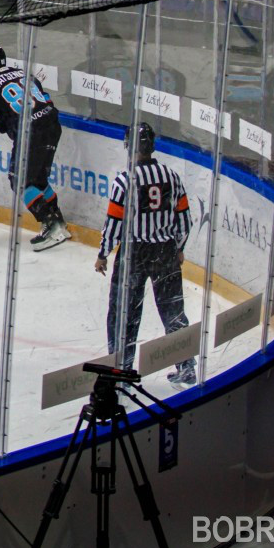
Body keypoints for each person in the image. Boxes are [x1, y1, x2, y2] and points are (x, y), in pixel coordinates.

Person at [95, 122, 196, 389]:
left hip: (134, 255)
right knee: (174, 311)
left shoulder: (124, 180)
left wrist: (103, 253)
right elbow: (184, 220)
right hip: (165, 252)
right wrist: (179, 248)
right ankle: (186, 367)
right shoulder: (172, 176)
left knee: (123, 313)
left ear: (130, 147)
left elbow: (114, 224)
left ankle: (121, 373)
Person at [0, 45, 69, 251]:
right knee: (37, 180)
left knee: (19, 181)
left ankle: (52, 226)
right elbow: (45, 100)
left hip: (31, 133)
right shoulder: (24, 74)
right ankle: (59, 222)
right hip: (52, 124)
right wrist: (8, 118)